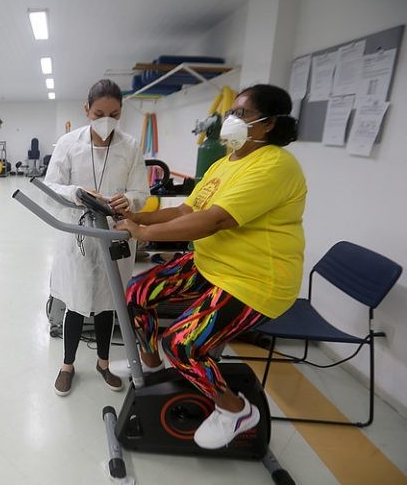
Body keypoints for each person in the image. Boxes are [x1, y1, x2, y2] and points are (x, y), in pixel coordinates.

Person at [110, 84, 306, 449]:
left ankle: (235, 410)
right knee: (138, 293)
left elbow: (214, 220)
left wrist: (140, 232)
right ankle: (151, 365)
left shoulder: (274, 166)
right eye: (231, 112)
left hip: (255, 281)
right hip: (210, 264)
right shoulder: (223, 163)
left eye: (242, 114)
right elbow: (187, 211)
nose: (231, 119)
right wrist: (136, 216)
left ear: (268, 125)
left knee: (183, 346)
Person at [44, 79, 148, 396]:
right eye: (100, 112)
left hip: (114, 232)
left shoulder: (130, 146)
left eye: (115, 114)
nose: (107, 120)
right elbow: (51, 188)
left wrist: (129, 200)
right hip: (78, 234)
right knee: (76, 301)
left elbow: (141, 191)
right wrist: (75, 192)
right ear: (86, 110)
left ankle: (104, 362)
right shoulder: (67, 144)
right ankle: (67, 365)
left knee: (108, 302)